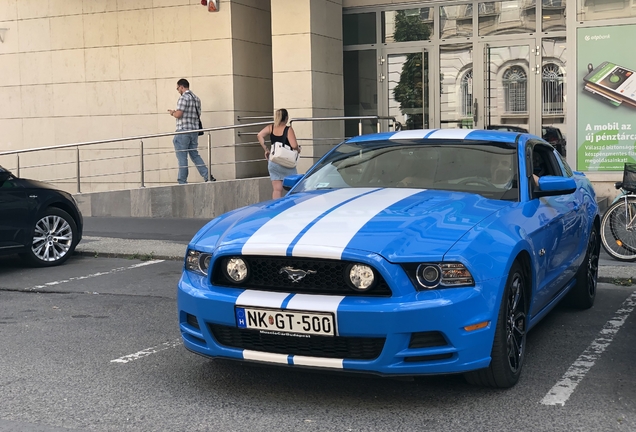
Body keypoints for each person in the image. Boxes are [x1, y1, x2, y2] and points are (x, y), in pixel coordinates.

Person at [168, 78, 214, 184]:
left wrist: (172, 113)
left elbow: (179, 115)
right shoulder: (196, 99)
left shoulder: (183, 98)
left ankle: (182, 181)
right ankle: (207, 176)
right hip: (194, 131)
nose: (178, 90)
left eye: (177, 88)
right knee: (194, 154)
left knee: (182, 157)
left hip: (183, 131)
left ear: (181, 87)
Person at [257, 109, 300, 199]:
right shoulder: (288, 129)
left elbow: (259, 135)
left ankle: (277, 209)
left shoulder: (271, 127)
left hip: (273, 161)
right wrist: (298, 149)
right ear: (286, 118)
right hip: (286, 162)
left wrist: (266, 149)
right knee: (294, 188)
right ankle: (292, 207)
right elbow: (294, 145)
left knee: (277, 189)